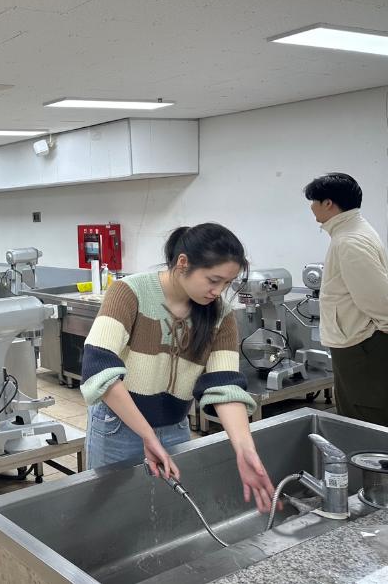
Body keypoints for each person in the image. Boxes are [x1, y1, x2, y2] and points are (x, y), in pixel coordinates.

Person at [81, 223, 276, 513]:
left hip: (175, 426)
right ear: (183, 263)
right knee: (111, 511)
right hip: (118, 426)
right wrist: (147, 435)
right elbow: (99, 367)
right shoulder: (129, 292)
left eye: (227, 283)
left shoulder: (220, 315)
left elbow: (224, 386)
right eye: (213, 280)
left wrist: (244, 448)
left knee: (168, 512)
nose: (218, 291)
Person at [304, 173, 388, 426]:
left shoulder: (349, 241)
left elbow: (380, 301)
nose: (311, 207)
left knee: (363, 418)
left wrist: (376, 338)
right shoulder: (352, 231)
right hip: (359, 342)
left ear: (328, 203)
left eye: (314, 201)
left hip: (362, 345)